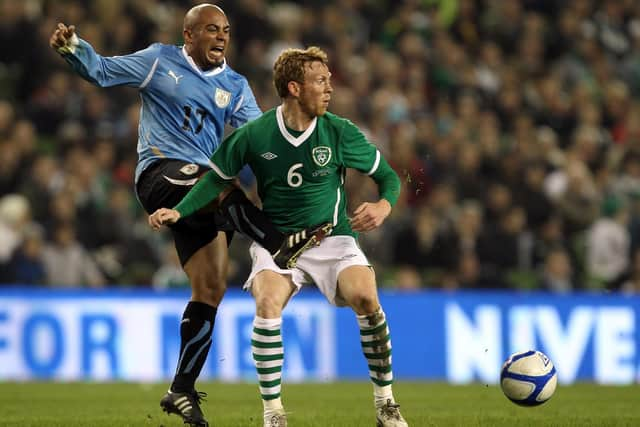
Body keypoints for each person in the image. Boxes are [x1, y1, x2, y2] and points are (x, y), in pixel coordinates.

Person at [49, 5, 328, 426]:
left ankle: (181, 388)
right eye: (211, 30)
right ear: (189, 34)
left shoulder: (234, 85)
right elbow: (103, 71)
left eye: (226, 31)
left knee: (211, 286)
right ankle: (281, 244)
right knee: (220, 184)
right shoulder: (159, 60)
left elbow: (260, 138)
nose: (221, 37)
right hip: (161, 173)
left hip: (203, 190)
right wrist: (74, 47)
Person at [150, 46, 409, 427]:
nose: (329, 88)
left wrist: (384, 206)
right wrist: (180, 210)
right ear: (294, 88)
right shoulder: (255, 135)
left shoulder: (339, 131)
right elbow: (217, 180)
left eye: (329, 81)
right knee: (268, 302)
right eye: (320, 81)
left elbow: (387, 177)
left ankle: (386, 404)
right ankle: (274, 413)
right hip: (279, 244)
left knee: (366, 296)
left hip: (332, 239)